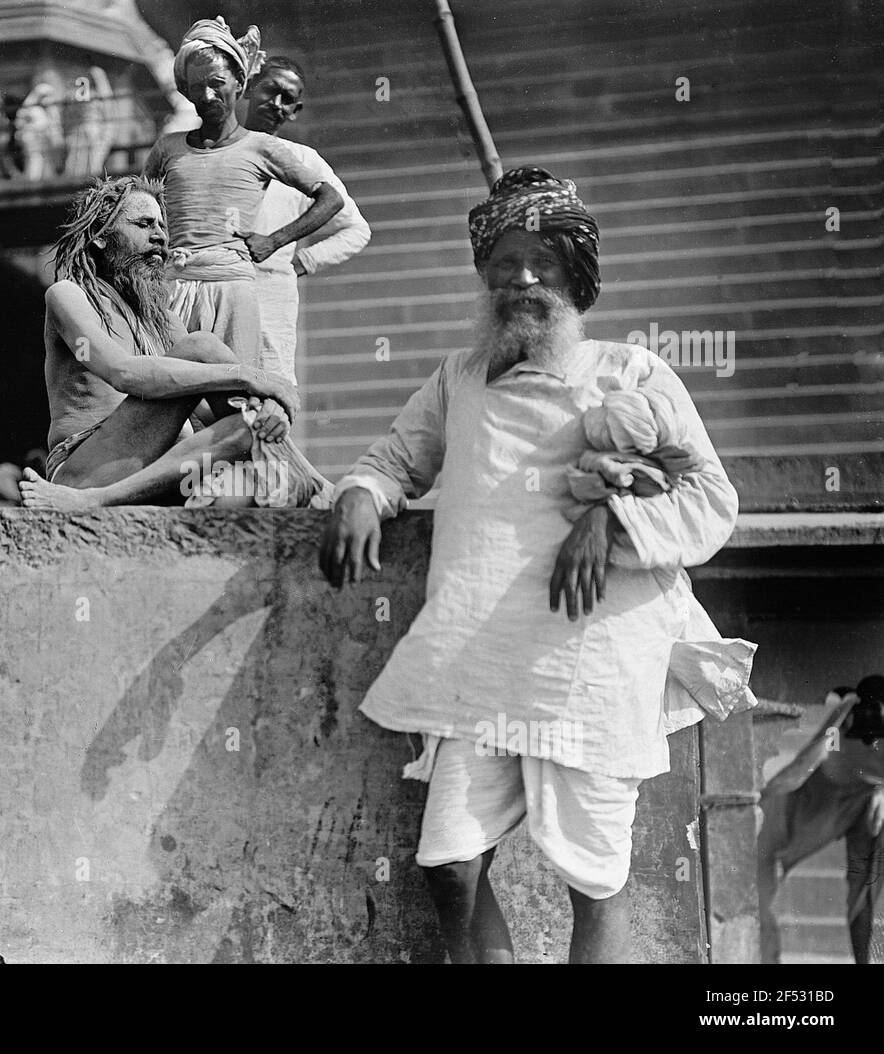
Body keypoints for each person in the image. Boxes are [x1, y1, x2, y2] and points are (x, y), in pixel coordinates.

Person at [318, 166, 755, 963]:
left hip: (591, 661)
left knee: (593, 880)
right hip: (480, 660)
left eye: (542, 264)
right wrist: (359, 492)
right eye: (505, 263)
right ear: (484, 277)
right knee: (449, 864)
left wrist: (612, 522)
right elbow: (394, 460)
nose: (521, 278)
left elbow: (711, 502)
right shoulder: (459, 377)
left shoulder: (632, 373)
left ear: (574, 279)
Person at [16, 175, 327, 511]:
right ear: (101, 237)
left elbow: (210, 409)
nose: (160, 236)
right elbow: (122, 373)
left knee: (248, 426)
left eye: (163, 227)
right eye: (144, 224)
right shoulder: (68, 296)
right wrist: (249, 376)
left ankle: (310, 481)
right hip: (87, 470)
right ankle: (90, 499)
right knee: (202, 348)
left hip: (159, 474)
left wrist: (267, 410)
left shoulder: (163, 318)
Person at [142, 17, 343, 370]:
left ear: (240, 83)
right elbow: (142, 211)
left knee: (239, 389)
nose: (206, 96)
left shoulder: (262, 148)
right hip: (174, 288)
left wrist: (275, 240)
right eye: (196, 86)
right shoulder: (167, 149)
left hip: (232, 287)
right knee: (171, 394)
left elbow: (330, 198)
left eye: (217, 84)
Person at [241, 56, 371, 385]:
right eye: (269, 91)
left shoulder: (303, 161)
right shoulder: (214, 149)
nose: (276, 104)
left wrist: (296, 260)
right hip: (208, 285)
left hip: (268, 295)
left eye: (288, 99)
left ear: (295, 111)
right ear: (247, 89)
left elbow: (356, 229)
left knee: (268, 392)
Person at [758, 675, 884, 964]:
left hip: (843, 810)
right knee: (757, 922)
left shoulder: (868, 803)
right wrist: (843, 717)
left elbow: (860, 891)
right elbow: (816, 758)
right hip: (784, 819)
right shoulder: (847, 721)